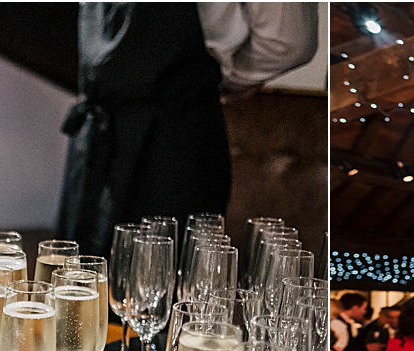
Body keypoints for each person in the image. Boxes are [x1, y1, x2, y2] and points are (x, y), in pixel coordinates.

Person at [56, 4, 314, 257]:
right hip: (94, 133)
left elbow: (289, 42)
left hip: (174, 139)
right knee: (77, 278)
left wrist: (215, 79)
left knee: (166, 277)